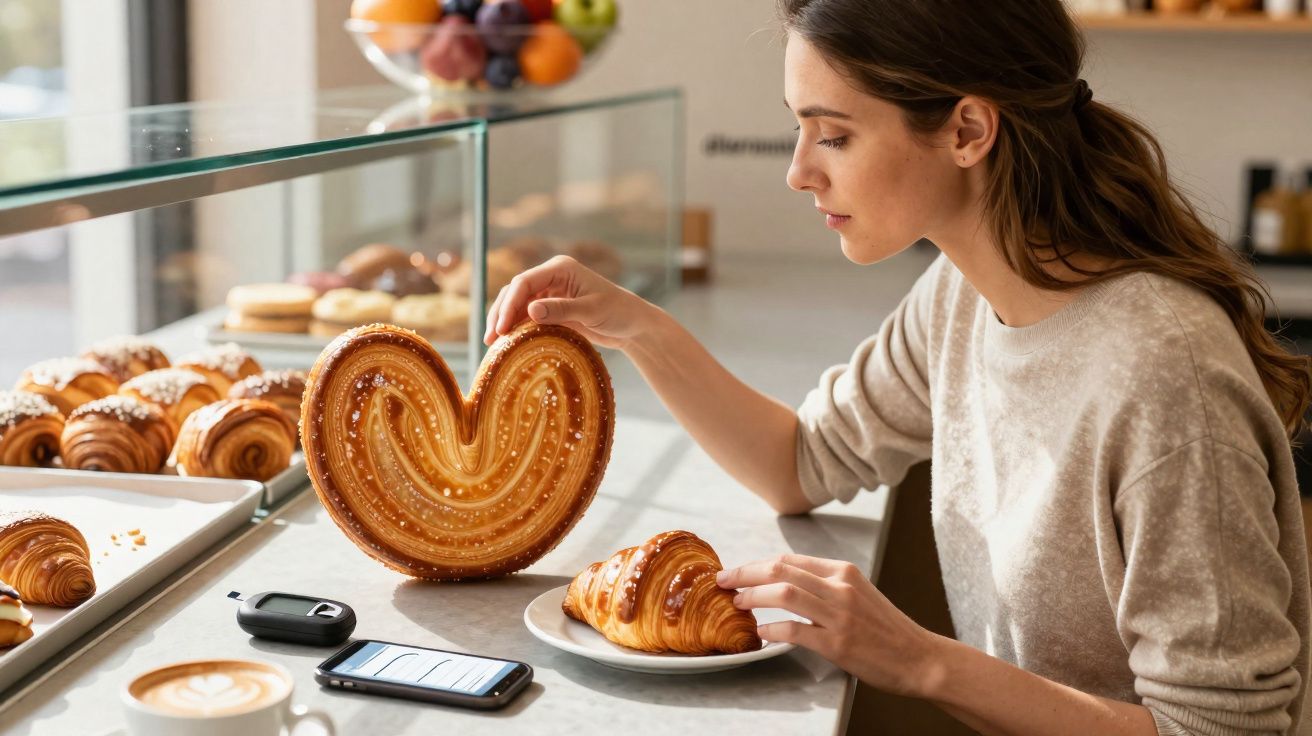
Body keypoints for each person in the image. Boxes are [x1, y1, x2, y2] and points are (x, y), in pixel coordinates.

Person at [484, 0, 1312, 732]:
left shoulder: (1163, 374)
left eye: (834, 135)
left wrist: (915, 661)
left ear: (967, 131)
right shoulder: (960, 293)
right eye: (801, 128)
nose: (799, 171)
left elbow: (1222, 732)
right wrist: (636, 326)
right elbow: (801, 463)